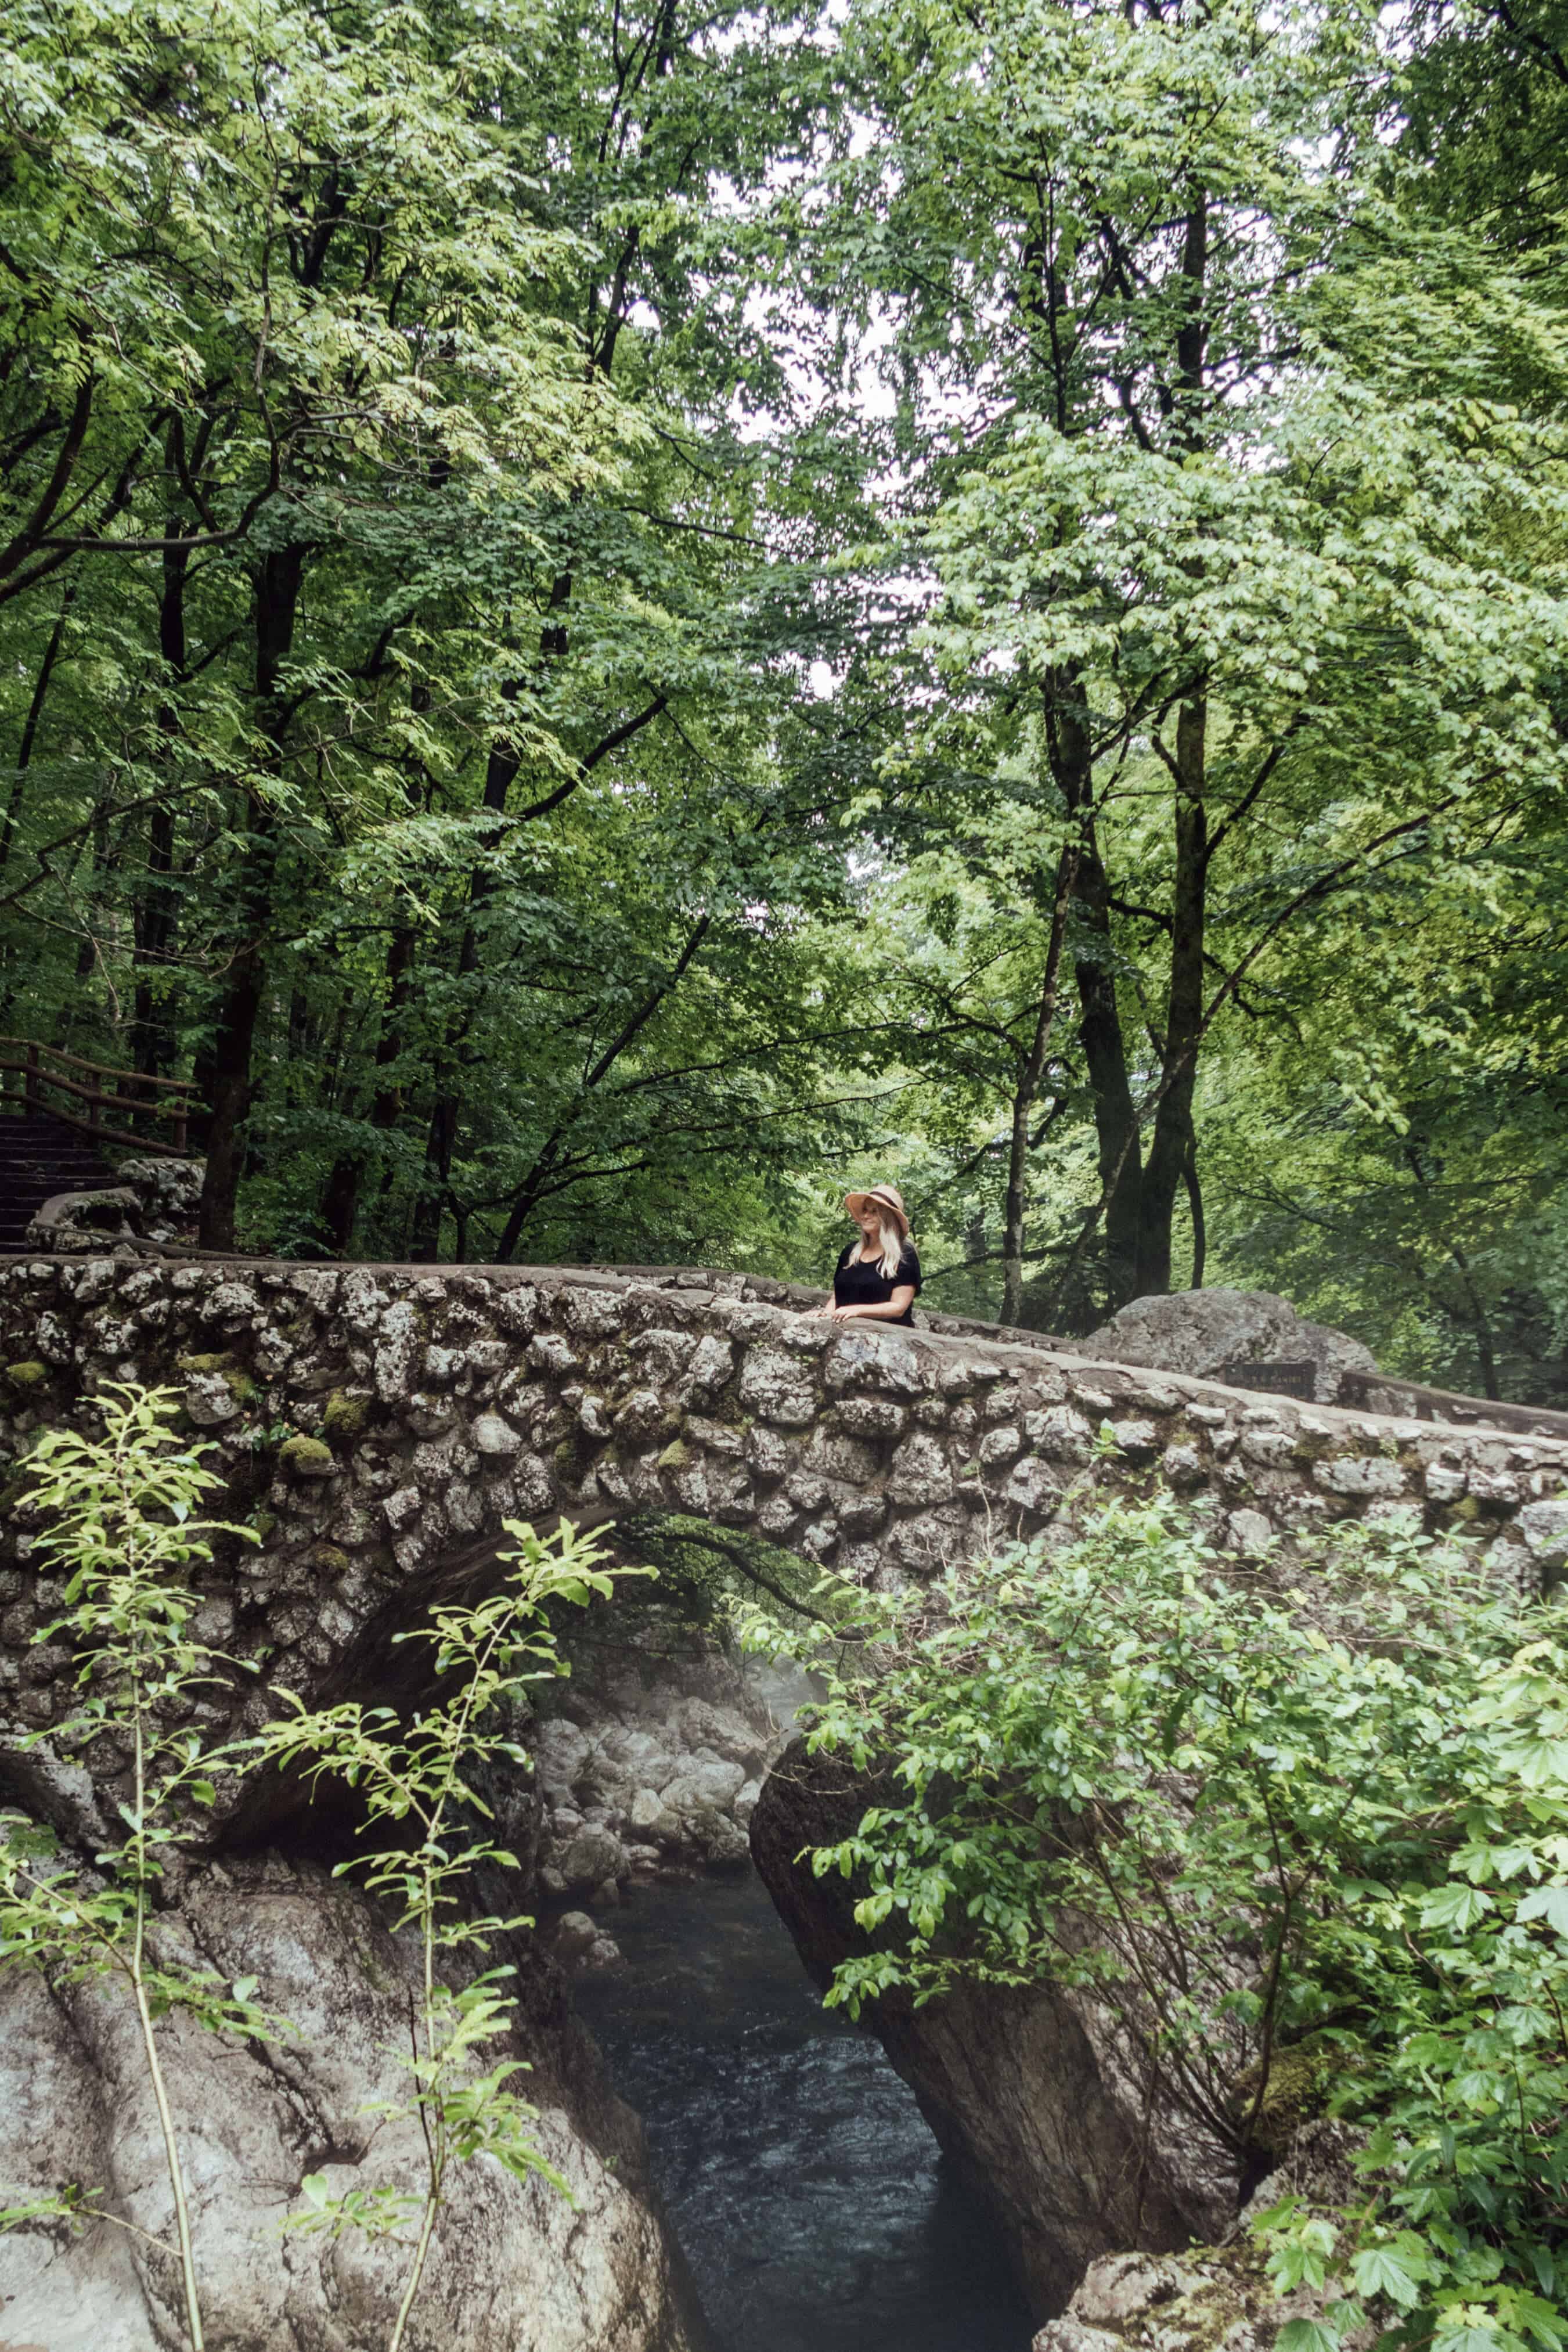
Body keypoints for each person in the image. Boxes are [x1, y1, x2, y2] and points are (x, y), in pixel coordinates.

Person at [811, 1183, 922, 1325]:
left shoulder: (904, 1255)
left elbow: (898, 1307)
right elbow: (837, 1297)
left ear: (888, 1217)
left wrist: (856, 1310)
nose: (866, 1216)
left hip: (889, 1339)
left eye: (874, 1211)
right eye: (864, 1210)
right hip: (844, 1334)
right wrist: (825, 1314)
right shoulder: (850, 1252)